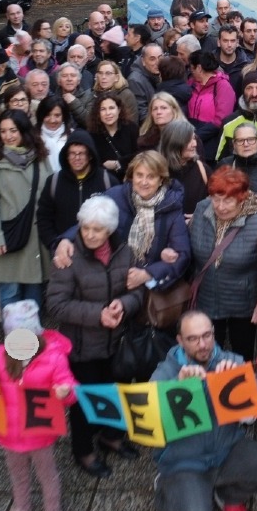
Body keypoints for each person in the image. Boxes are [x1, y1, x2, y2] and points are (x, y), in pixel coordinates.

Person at [151, 310, 257, 511]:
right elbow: (152, 423)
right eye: (193, 339)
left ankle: (229, 496)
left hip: (226, 449)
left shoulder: (232, 361)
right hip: (184, 461)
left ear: (214, 333)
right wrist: (178, 387)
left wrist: (241, 387)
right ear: (180, 341)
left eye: (207, 335)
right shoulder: (164, 374)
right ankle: (165, 487)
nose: (202, 344)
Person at [45, 196, 146, 479]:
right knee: (83, 400)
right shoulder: (68, 257)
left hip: (116, 341)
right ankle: (83, 450)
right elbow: (55, 304)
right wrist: (97, 314)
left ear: (110, 230)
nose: (90, 234)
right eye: (86, 227)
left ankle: (111, 436)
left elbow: (137, 292)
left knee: (114, 391)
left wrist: (124, 305)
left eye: (97, 229)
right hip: (81, 346)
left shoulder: (125, 253)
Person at [0, 300, 75, 511]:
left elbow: (71, 387)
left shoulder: (54, 358)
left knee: (47, 474)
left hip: (39, 432)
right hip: (9, 431)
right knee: (17, 473)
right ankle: (21, 506)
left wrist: (65, 391)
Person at [50, 150, 190, 292]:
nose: (144, 182)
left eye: (151, 177)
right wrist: (66, 239)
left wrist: (148, 273)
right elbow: (90, 220)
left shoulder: (172, 208)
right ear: (131, 176)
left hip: (147, 288)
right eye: (139, 175)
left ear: (161, 180)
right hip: (112, 281)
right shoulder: (115, 196)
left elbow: (182, 255)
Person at [187, 166, 257, 361]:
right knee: (207, 356)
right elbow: (189, 249)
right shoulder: (201, 210)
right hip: (207, 298)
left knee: (242, 356)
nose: (221, 206)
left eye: (228, 200)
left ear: (242, 197)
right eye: (216, 199)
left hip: (243, 304)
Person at [0, 110, 51, 309]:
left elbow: (49, 192)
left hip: (35, 234)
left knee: (33, 289)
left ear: (24, 131)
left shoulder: (39, 156)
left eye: (13, 130)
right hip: (9, 233)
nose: (8, 136)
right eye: (2, 131)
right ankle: (14, 338)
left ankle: (33, 336)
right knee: (9, 291)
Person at [157, 119, 210, 217]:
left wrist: (198, 217)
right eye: (189, 140)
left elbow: (216, 202)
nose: (194, 144)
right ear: (174, 143)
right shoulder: (156, 171)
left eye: (194, 138)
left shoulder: (202, 169)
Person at [88, 92, 138, 184]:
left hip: (130, 181)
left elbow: (139, 154)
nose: (108, 113)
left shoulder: (131, 128)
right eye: (103, 109)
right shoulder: (92, 134)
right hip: (105, 183)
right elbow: (93, 163)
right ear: (98, 113)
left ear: (119, 110)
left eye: (111, 108)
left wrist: (118, 163)